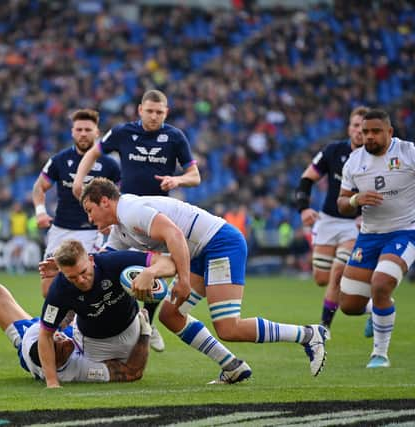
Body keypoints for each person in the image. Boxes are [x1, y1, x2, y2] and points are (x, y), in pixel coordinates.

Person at [81, 177, 329, 380]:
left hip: (220, 243)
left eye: (90, 211)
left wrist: (184, 280)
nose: (90, 219)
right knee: (169, 314)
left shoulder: (130, 211)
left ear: (104, 201)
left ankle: (307, 335)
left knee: (228, 327)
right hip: (200, 252)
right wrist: (62, 268)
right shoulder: (119, 229)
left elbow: (174, 235)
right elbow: (100, 262)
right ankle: (232, 366)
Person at [0, 224, 151, 384]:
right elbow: (131, 373)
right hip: (37, 346)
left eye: (58, 340)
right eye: (62, 346)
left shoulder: (41, 338)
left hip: (31, 335)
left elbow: (49, 332)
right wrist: (145, 332)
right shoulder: (73, 370)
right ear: (59, 361)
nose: (63, 339)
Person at [71, 90, 201, 353]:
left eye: (159, 112)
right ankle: (103, 317)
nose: (154, 116)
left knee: (155, 267)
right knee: (113, 264)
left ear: (167, 112)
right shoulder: (122, 132)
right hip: (124, 213)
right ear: (140, 109)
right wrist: (78, 179)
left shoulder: (175, 137)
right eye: (150, 111)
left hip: (156, 218)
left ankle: (148, 323)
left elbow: (195, 175)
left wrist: (178, 180)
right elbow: (93, 153)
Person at [36, 238, 211, 389]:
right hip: (94, 345)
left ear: (90, 259)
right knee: (116, 379)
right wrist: (52, 382)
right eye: (72, 278)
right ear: (62, 273)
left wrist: (150, 272)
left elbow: (168, 263)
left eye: (83, 272)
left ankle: (147, 322)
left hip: (131, 329)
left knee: (135, 373)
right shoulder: (59, 289)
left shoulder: (113, 262)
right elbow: (45, 334)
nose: (81, 280)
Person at [336, 109, 415, 369]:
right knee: (348, 304)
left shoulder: (408, 153)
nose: (368, 136)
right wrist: (356, 200)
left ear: (389, 132)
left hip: (406, 231)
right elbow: (342, 203)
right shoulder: (354, 162)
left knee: (380, 284)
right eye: (365, 132)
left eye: (375, 131)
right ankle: (380, 308)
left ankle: (379, 355)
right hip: (369, 236)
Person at [295, 106, 370, 331]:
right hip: (328, 220)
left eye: (364, 128)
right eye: (355, 125)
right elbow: (307, 178)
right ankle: (376, 307)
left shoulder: (376, 159)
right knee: (321, 278)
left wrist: (367, 216)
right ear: (349, 127)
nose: (359, 131)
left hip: (354, 224)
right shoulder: (333, 150)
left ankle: (323, 329)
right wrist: (304, 209)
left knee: (338, 273)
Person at [32, 108, 120, 295]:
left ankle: (80, 323)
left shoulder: (109, 165)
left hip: (92, 231)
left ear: (97, 132)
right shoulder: (59, 160)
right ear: (72, 132)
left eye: (88, 130)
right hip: (60, 229)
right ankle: (61, 323)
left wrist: (111, 221)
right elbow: (39, 187)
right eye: (79, 129)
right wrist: (40, 211)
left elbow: (120, 196)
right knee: (48, 288)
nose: (83, 134)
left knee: (84, 281)